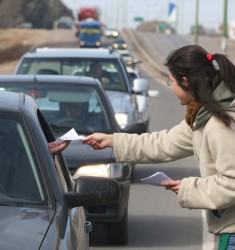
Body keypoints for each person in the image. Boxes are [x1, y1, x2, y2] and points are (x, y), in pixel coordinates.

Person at [83, 45, 235, 250]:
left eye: (170, 81)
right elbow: (163, 143)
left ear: (185, 82)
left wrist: (188, 187)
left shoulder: (220, 124)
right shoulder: (202, 117)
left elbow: (232, 183)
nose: (170, 87)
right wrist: (113, 141)